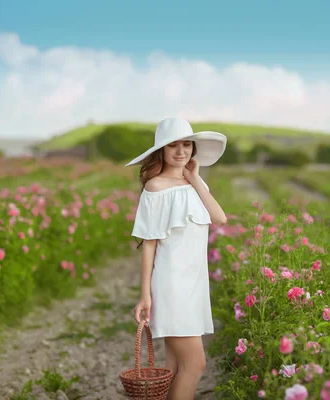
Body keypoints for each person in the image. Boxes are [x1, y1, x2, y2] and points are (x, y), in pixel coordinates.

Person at [125, 117, 228, 400]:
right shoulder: (155, 187)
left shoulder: (195, 182)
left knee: (175, 365)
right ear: (162, 150)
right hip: (173, 284)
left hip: (194, 284)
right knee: (195, 364)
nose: (181, 151)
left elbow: (220, 218)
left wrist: (195, 178)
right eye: (173, 145)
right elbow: (149, 244)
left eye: (186, 145)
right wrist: (145, 295)